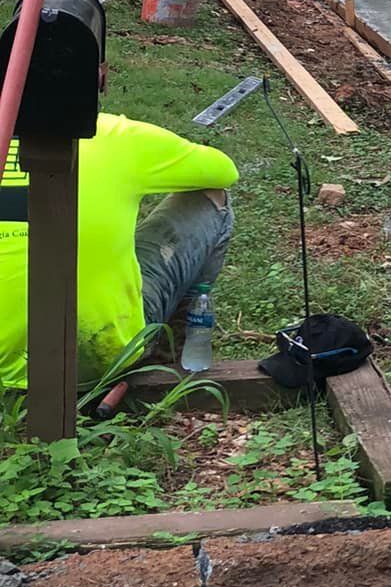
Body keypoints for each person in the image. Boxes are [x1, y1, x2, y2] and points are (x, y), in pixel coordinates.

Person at [0, 114, 238, 391]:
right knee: (212, 198)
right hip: (98, 357)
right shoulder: (113, 134)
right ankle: (170, 349)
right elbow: (225, 170)